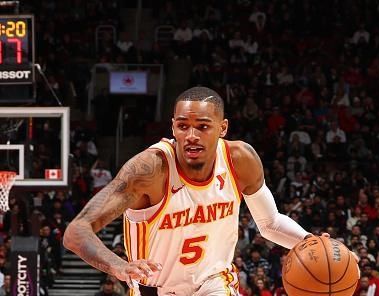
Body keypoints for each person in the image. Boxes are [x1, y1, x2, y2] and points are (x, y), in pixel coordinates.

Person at [63, 86, 325, 295]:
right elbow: (76, 232)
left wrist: (313, 243)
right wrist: (120, 267)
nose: (191, 135)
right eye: (183, 126)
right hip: (155, 289)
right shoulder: (150, 170)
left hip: (214, 282)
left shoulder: (240, 160)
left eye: (202, 126)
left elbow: (270, 223)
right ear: (173, 127)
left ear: (222, 128)